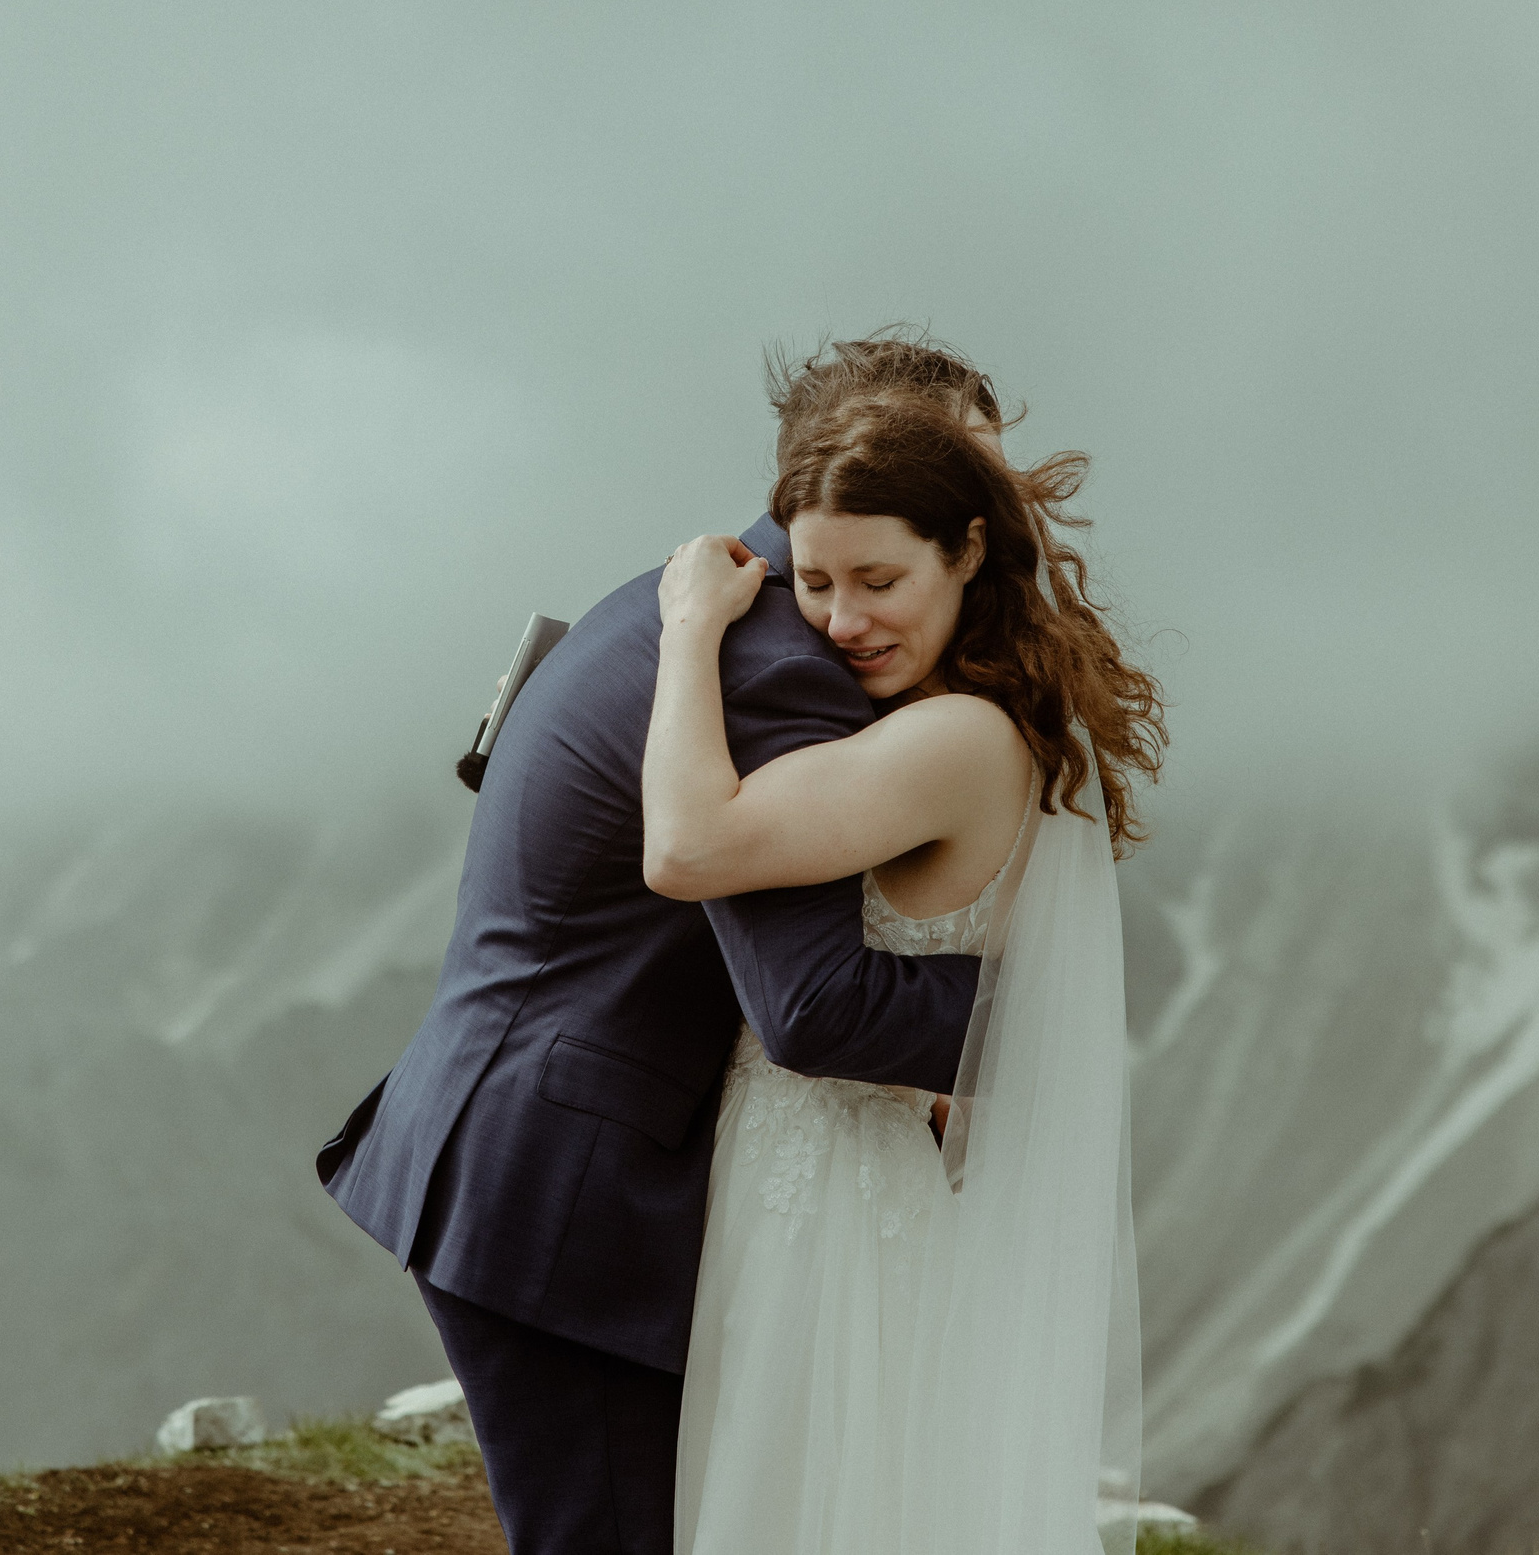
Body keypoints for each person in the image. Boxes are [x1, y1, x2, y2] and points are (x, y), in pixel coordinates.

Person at [316, 335, 1009, 1555]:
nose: (993, 505)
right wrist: (1030, 1009)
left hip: (507, 1138)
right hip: (554, 1189)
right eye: (965, 469)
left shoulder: (703, 597)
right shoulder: (784, 672)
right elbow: (813, 1009)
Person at [650, 367, 1165, 1554]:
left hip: (826, 1200)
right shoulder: (988, 717)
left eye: (880, 582)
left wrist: (688, 637)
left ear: (968, 554)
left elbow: (686, 845)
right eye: (817, 582)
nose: (840, 621)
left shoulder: (955, 740)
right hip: (850, 1176)